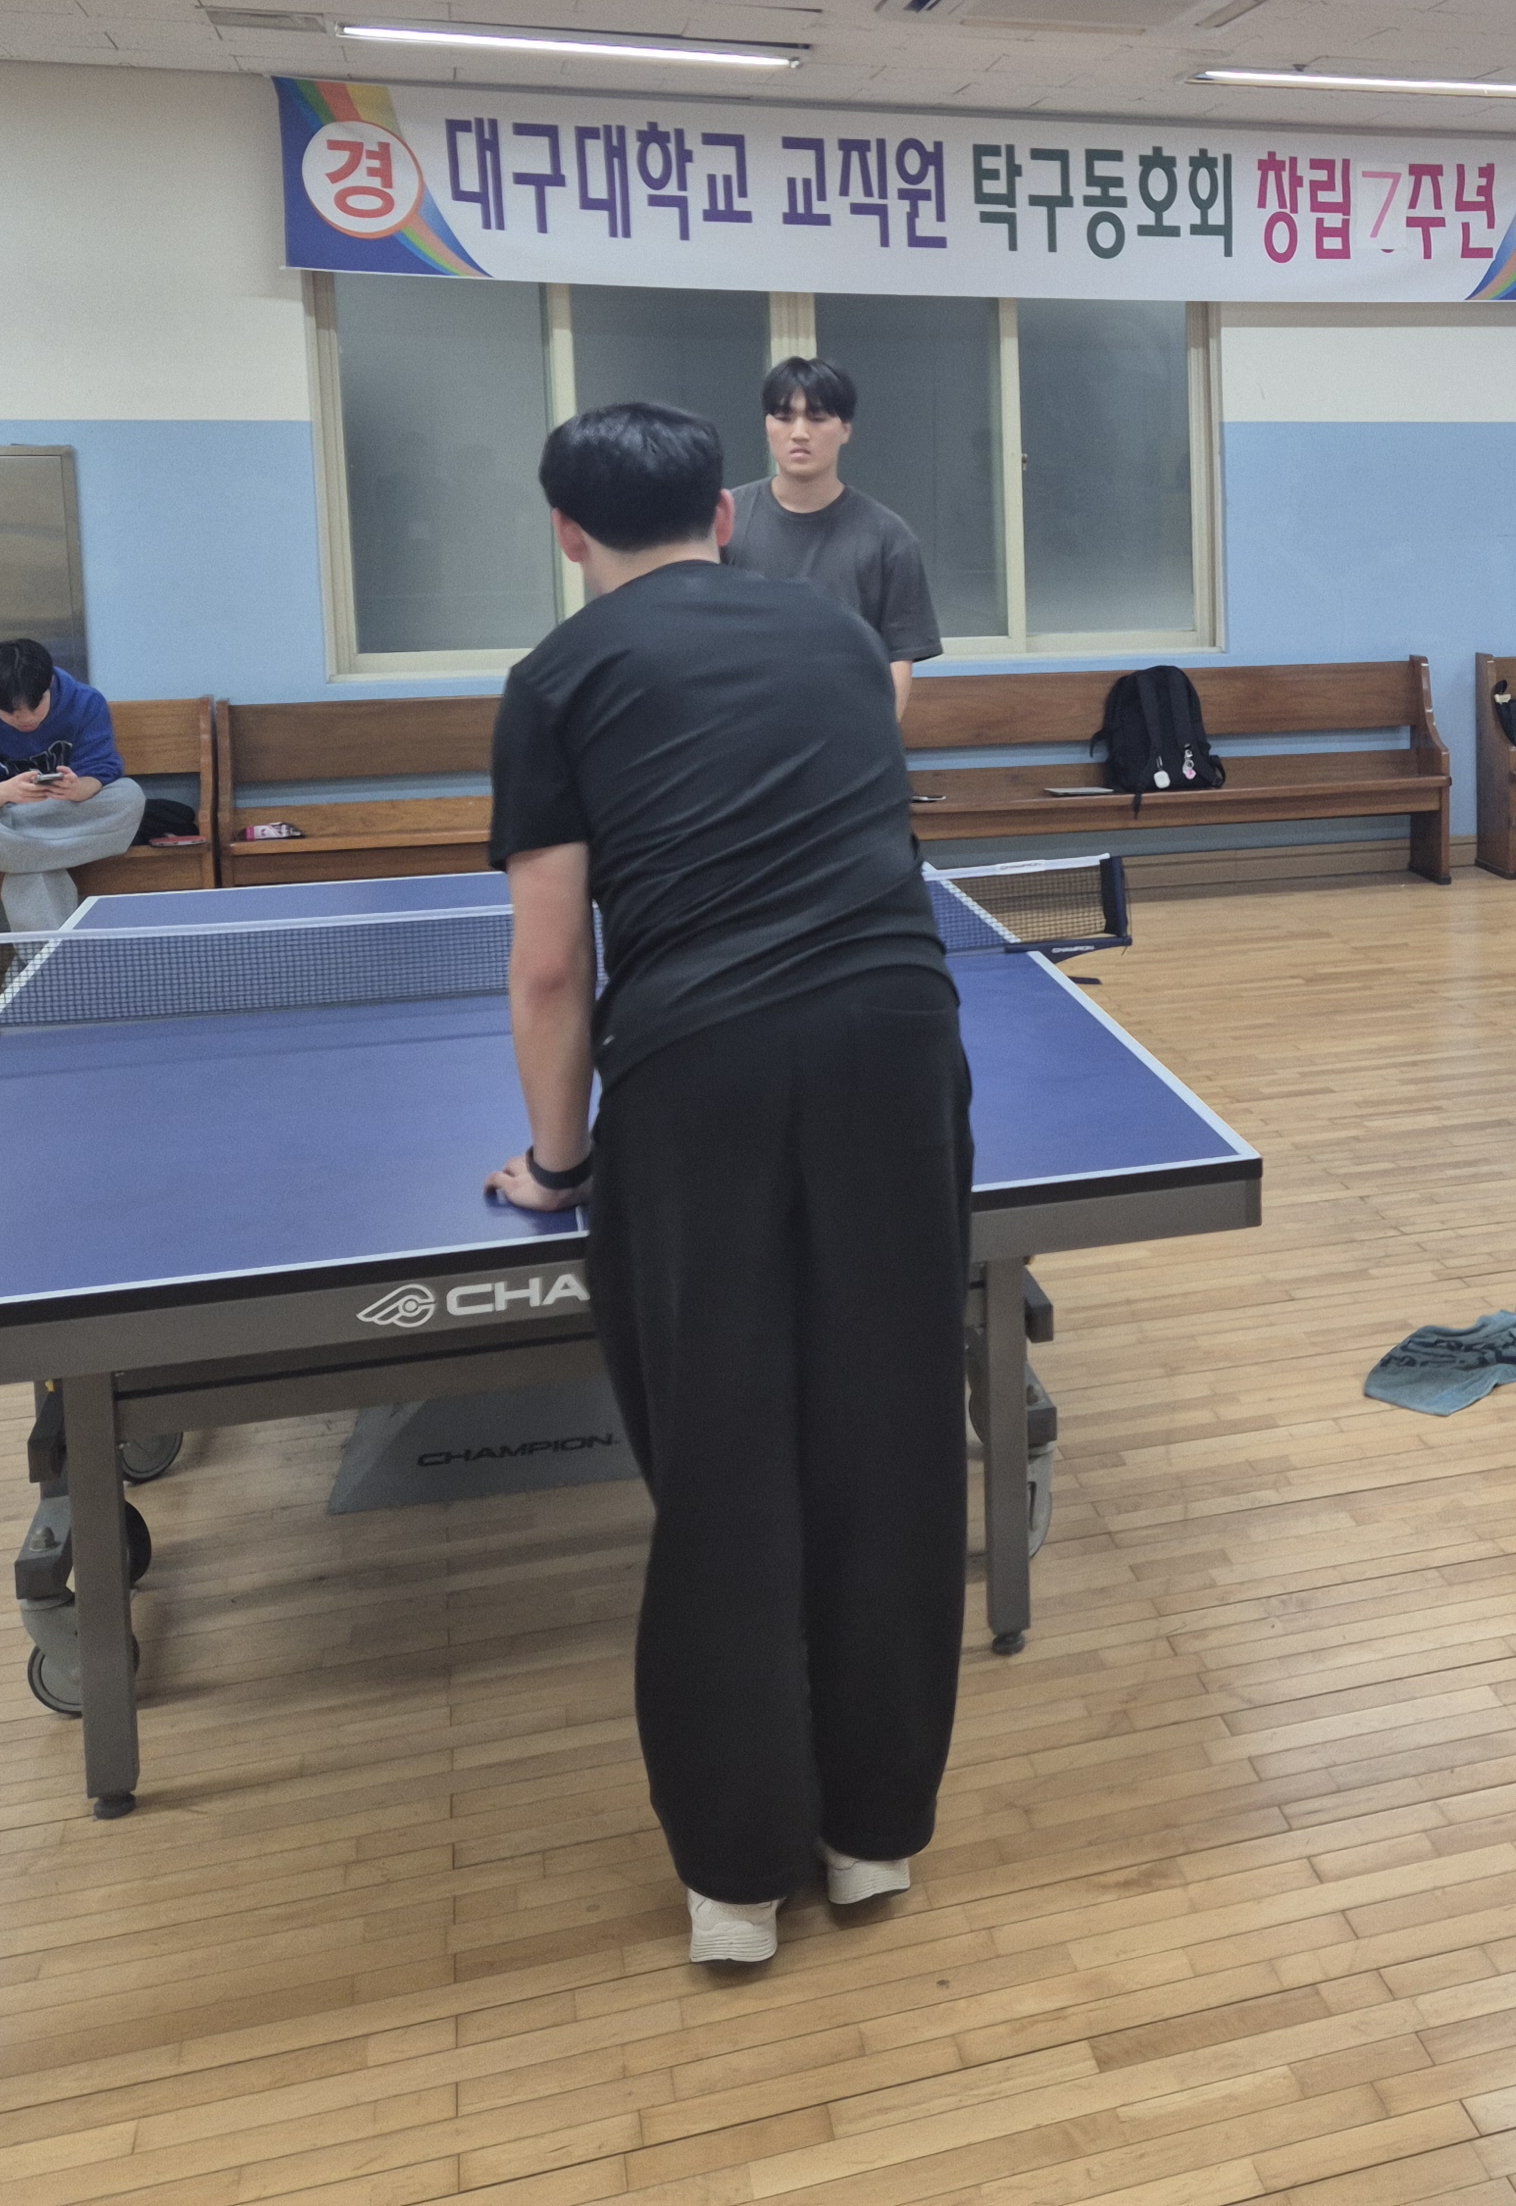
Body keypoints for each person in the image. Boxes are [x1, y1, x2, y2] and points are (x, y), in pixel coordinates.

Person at [481, 401, 973, 1966]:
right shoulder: (838, 638)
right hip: (901, 1046)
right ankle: (873, 1836)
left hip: (704, 1077)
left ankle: (738, 1881)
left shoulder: (555, 678)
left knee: (726, 1463)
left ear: (568, 533)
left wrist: (560, 1163)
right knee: (893, 1435)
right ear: (724, 514)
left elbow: (551, 968)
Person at [723, 356, 946, 720]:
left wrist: (877, 740)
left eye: (817, 416)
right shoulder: (724, 521)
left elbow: (898, 659)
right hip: (742, 731)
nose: (799, 432)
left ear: (845, 429)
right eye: (784, 416)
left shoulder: (889, 537)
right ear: (767, 425)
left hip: (849, 734)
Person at [0, 638, 146, 933]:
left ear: (50, 684)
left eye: (36, 705)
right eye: (10, 711)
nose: (26, 718)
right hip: (12, 812)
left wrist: (81, 788)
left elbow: (102, 768)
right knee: (34, 868)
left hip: (46, 821)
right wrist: (5, 792)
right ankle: (50, 963)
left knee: (129, 795)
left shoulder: (86, 702)